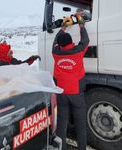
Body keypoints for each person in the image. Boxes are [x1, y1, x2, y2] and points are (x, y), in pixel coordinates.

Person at [52, 10, 89, 150]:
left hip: (62, 94)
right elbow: (85, 40)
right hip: (76, 95)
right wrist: (81, 24)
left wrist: (63, 27)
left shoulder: (56, 53)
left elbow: (56, 40)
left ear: (60, 45)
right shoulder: (78, 51)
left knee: (62, 123)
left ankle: (62, 148)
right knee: (80, 125)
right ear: (71, 42)